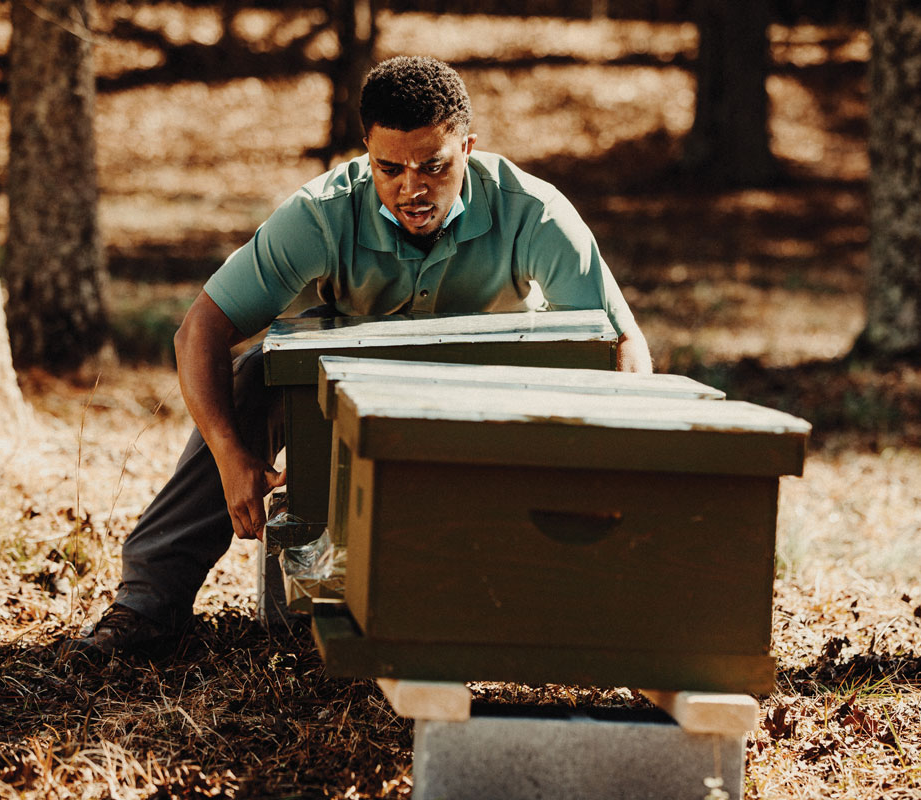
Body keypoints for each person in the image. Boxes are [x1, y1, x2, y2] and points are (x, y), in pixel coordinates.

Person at [66, 55, 652, 657]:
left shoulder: (535, 211)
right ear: (366, 150)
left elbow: (619, 343)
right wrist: (229, 454)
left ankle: (563, 582)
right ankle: (145, 608)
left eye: (433, 166)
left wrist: (619, 466)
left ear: (468, 147)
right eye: (389, 168)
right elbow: (199, 331)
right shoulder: (321, 213)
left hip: (491, 395)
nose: (411, 188)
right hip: (353, 393)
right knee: (254, 374)